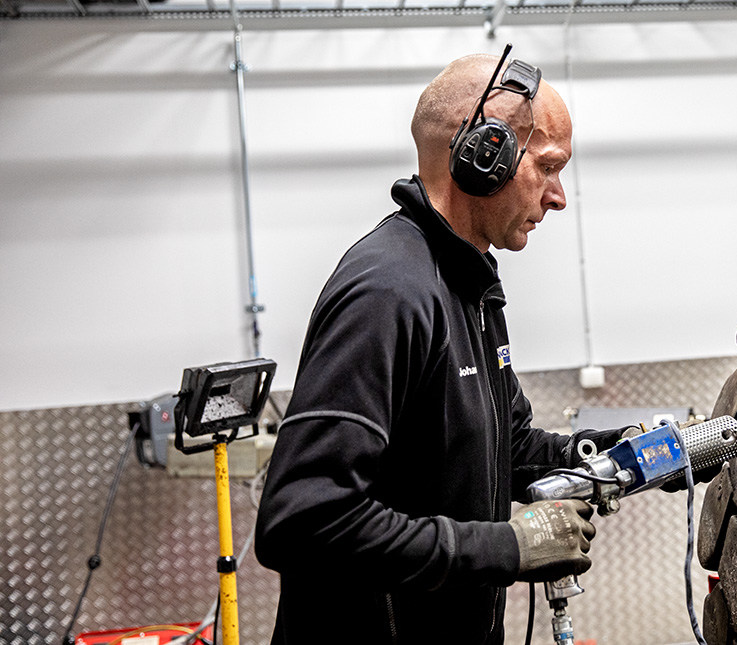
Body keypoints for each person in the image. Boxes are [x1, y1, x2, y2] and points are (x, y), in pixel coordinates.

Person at [254, 52, 630, 644]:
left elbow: (509, 449)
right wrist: (507, 545)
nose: (558, 197)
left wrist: (627, 453)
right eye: (549, 167)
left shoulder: (469, 283)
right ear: (486, 154)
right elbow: (302, 520)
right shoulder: (389, 292)